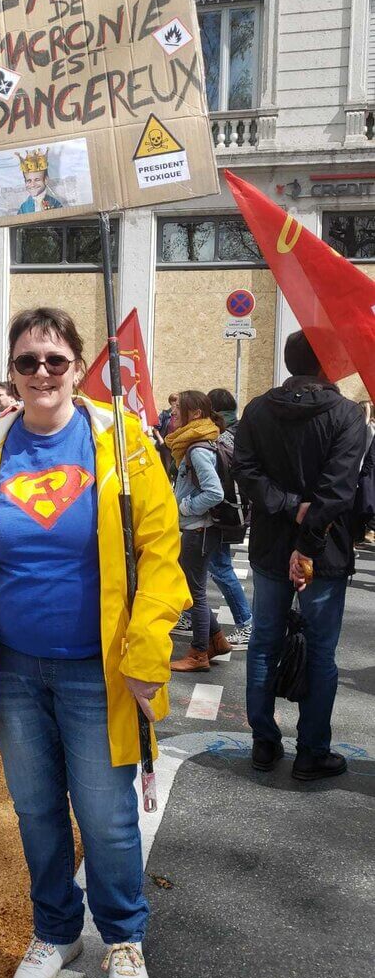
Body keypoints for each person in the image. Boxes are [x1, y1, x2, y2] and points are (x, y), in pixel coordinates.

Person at [0, 306, 190, 978]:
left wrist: (145, 654)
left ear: (77, 367)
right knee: (37, 811)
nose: (41, 372)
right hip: (8, 670)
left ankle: (123, 937)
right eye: (26, 362)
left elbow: (160, 556)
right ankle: (55, 930)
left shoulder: (122, 443)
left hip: (97, 672)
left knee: (105, 816)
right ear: (11, 371)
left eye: (54, 360)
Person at [233, 330, 366, 780]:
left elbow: (244, 471)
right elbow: (338, 489)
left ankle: (264, 743)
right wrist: (306, 542)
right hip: (324, 550)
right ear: (327, 364)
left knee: (264, 645)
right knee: (322, 650)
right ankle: (311, 751)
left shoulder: (256, 409)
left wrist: (286, 508)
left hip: (271, 545)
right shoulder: (349, 415)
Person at [165, 390, 233, 673]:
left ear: (194, 414)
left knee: (194, 593)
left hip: (198, 530)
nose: (172, 412)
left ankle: (199, 653)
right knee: (191, 590)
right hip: (198, 530)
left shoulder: (197, 449)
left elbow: (214, 492)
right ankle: (216, 639)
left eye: (178, 407)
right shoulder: (194, 443)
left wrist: (185, 506)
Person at [205, 387, 253, 649]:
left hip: (218, 512)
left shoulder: (220, 438)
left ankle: (246, 623)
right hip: (233, 510)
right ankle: (192, 615)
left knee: (220, 567)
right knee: (199, 567)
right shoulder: (240, 433)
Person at [16, 149, 63, 214]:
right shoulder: (23, 207)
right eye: (29, 181)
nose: (32, 184)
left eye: (37, 180)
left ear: (46, 180)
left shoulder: (54, 203)